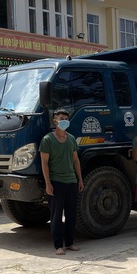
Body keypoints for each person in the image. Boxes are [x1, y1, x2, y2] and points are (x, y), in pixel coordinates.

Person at [39, 109, 84, 255]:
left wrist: (80, 179)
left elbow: (76, 160)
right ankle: (58, 245)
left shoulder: (71, 139)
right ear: (55, 121)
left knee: (71, 215)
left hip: (71, 181)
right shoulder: (47, 140)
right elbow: (44, 163)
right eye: (60, 118)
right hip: (56, 182)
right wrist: (48, 183)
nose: (63, 120)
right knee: (56, 216)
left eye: (65, 118)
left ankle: (69, 242)